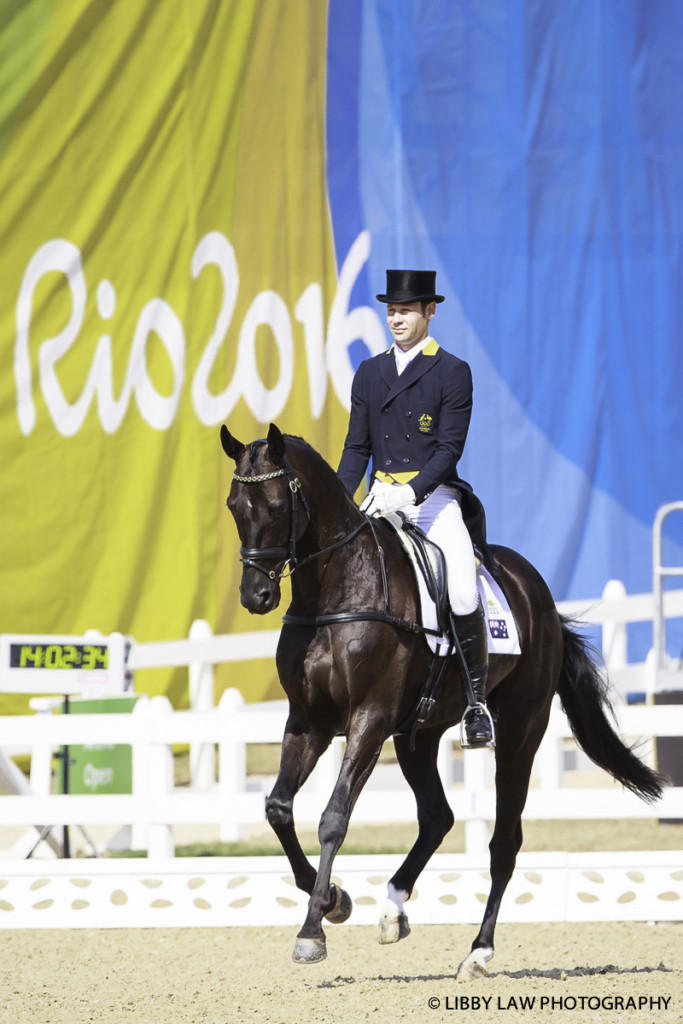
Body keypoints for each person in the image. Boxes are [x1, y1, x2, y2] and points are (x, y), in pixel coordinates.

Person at [337, 269, 494, 747]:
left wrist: (410, 492)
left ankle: (476, 703)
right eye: (391, 310)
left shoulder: (452, 371)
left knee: (464, 592)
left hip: (432, 501)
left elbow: (449, 450)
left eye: (406, 310)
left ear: (430, 311)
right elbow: (355, 449)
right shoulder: (369, 372)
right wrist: (343, 502)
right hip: (378, 496)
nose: (396, 318)